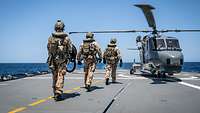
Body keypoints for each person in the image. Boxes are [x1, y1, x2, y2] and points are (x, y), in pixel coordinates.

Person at [47, 19, 72, 101]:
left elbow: (48, 48)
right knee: (60, 75)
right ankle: (58, 92)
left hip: (53, 60)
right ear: (63, 27)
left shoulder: (51, 38)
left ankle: (55, 91)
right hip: (62, 60)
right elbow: (70, 49)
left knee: (54, 76)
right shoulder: (66, 38)